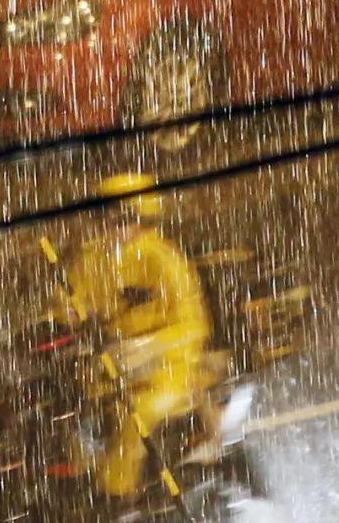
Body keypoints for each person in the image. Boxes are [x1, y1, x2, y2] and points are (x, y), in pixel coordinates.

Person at [60, 171, 225, 500]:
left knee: (134, 413)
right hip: (111, 365)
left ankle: (118, 495)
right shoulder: (91, 259)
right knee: (67, 410)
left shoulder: (162, 259)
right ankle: (75, 484)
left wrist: (147, 346)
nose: (110, 227)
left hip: (167, 369)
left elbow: (193, 324)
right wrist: (66, 319)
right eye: (103, 218)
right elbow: (69, 303)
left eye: (120, 219)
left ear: (141, 220)